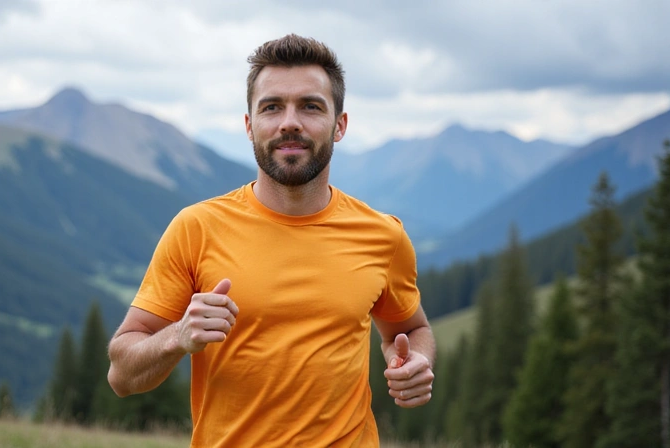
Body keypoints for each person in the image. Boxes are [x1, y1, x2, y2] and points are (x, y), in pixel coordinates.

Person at [107, 34, 436, 447]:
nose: (290, 122)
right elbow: (122, 376)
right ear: (249, 126)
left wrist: (415, 360)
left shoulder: (384, 236)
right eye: (272, 107)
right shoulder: (195, 228)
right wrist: (177, 336)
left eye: (311, 106)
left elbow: (410, 328)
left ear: (340, 125)